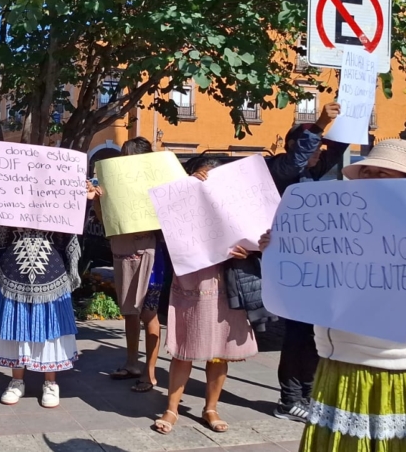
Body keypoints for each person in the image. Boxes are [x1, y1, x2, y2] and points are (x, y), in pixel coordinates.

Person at [259, 139, 406, 451]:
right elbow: (311, 273)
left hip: (391, 368)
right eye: (366, 172)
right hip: (335, 361)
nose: (370, 179)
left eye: (383, 174)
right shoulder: (340, 225)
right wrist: (280, 247)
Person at [0, 167, 94, 408]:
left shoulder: (56, 197)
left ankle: (51, 382)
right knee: (16, 327)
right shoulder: (10, 197)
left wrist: (84, 199)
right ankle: (17, 380)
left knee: (51, 329)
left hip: (52, 271)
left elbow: (72, 223)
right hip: (12, 270)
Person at [152, 158, 259, 434]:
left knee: (219, 352)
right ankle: (171, 408)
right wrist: (187, 186)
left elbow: (256, 235)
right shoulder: (183, 196)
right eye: (205, 177)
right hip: (192, 280)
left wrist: (249, 250)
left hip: (226, 282)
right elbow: (166, 217)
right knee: (184, 349)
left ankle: (211, 407)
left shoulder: (237, 204)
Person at [266, 102, 347, 422]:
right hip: (291, 271)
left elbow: (337, 148)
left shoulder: (314, 172)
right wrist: (320, 122)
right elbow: (298, 159)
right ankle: (288, 401)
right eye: (313, 146)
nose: (319, 153)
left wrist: (353, 107)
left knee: (317, 335)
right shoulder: (279, 170)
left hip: (320, 270)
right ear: (293, 147)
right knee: (298, 334)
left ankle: (309, 397)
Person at [93, 136, 165, 393]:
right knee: (129, 311)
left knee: (148, 313)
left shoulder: (156, 182)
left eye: (130, 156)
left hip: (148, 254)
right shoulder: (114, 183)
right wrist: (97, 200)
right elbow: (106, 223)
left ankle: (150, 374)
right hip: (122, 252)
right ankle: (132, 362)